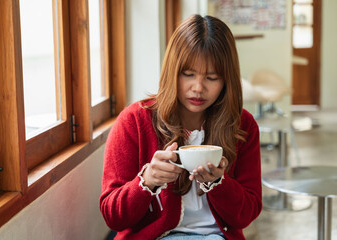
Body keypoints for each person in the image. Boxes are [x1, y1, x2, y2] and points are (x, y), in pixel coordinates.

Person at [99, 14, 262, 240]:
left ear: (227, 81)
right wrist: (146, 181)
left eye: (212, 78)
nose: (198, 88)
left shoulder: (242, 125)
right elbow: (113, 217)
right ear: (172, 72)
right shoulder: (135, 120)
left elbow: (247, 214)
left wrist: (218, 183)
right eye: (188, 74)